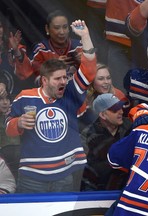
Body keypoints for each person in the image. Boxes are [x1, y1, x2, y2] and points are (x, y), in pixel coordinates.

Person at [5, 19, 97, 193]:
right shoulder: (25, 97)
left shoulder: (70, 93)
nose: (64, 81)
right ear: (45, 80)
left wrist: (85, 36)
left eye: (64, 77)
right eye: (58, 78)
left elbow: (90, 69)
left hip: (64, 175)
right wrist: (18, 123)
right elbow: (8, 128)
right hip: (32, 176)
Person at [81, 93, 132, 191]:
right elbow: (85, 170)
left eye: (121, 107)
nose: (121, 112)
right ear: (103, 115)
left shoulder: (130, 127)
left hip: (127, 188)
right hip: (100, 190)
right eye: (115, 110)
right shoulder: (88, 135)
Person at [17, 10, 83, 85]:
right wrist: (54, 66)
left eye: (65, 27)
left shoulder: (80, 46)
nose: (62, 32)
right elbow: (32, 79)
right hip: (52, 95)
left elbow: (95, 74)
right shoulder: (41, 50)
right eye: (57, 28)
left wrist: (85, 62)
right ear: (47, 29)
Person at [0, 91, 20, 179]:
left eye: (7, 99)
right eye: (1, 99)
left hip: (20, 157)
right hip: (3, 160)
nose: (5, 102)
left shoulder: (17, 114)